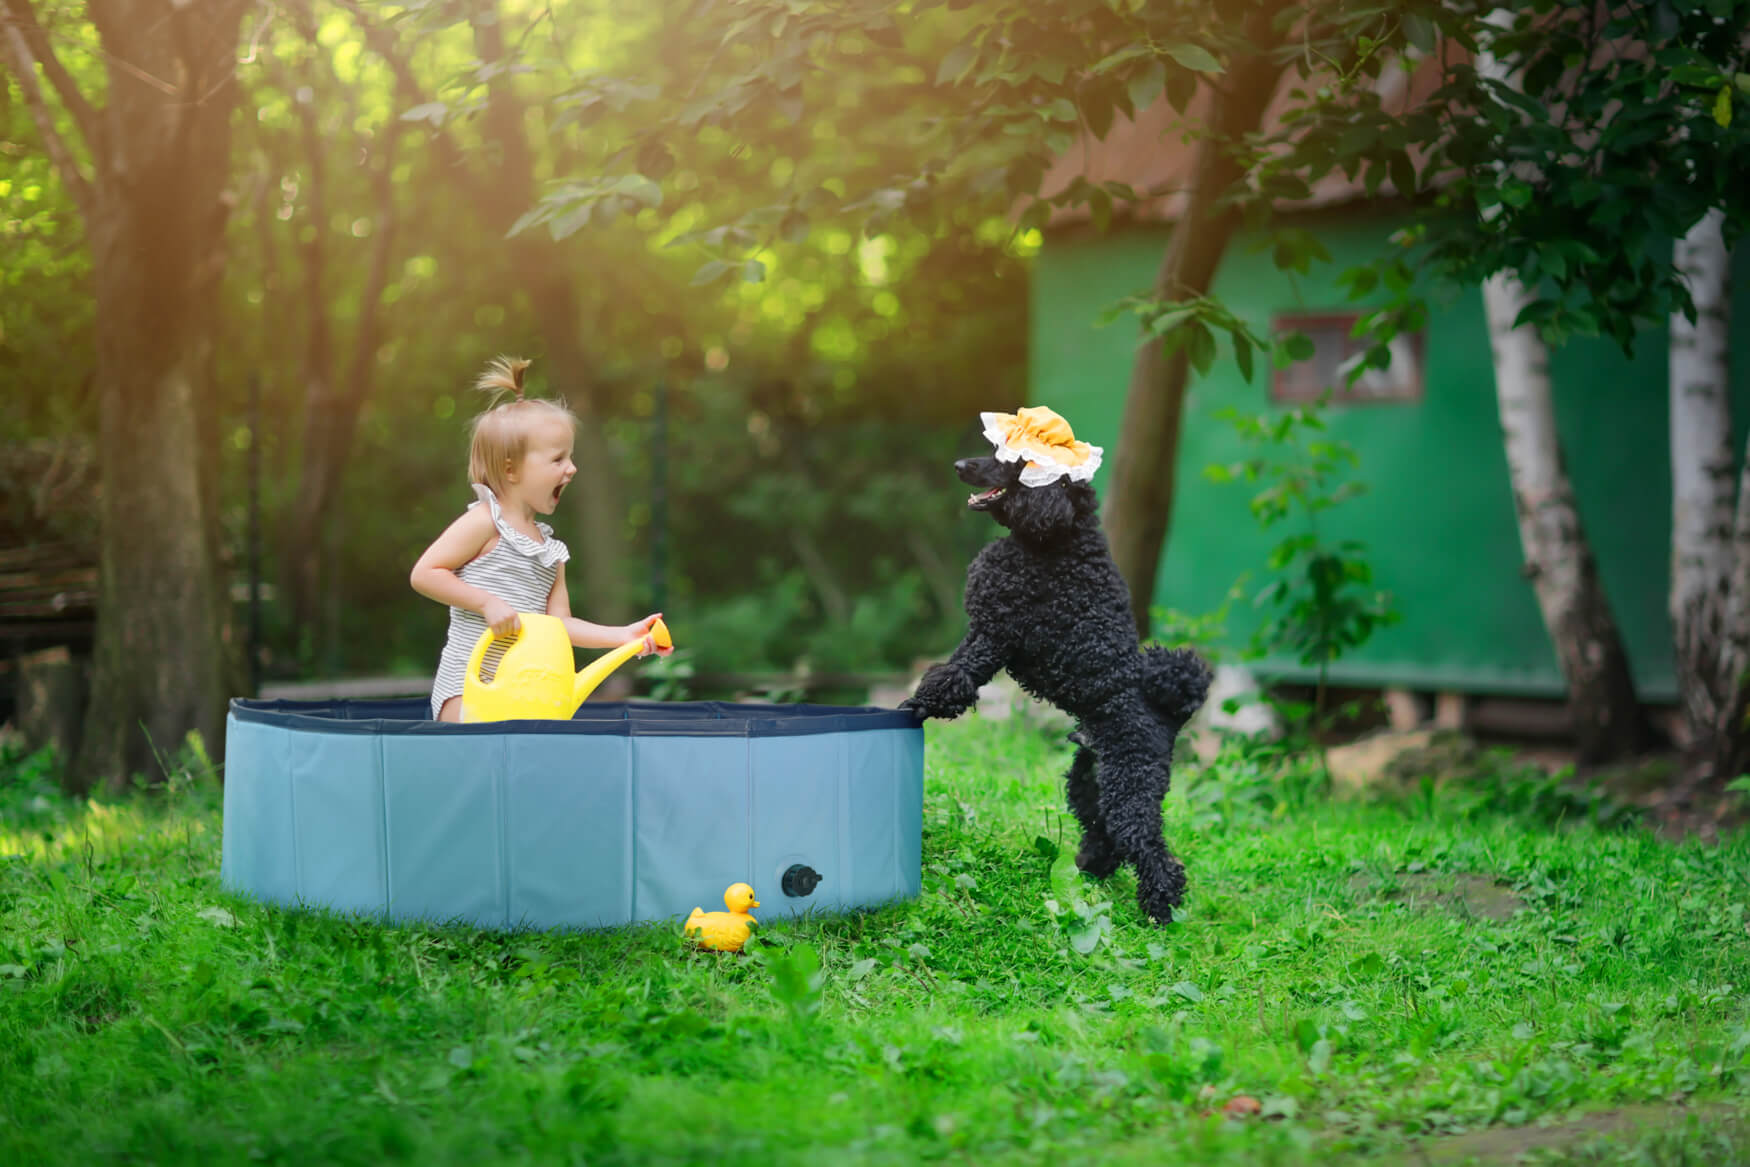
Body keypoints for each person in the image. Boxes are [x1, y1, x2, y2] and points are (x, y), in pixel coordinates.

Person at [412, 355, 665, 721]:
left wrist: (622, 635)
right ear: (511, 469)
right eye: (558, 459)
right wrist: (485, 603)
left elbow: (559, 625)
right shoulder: (485, 523)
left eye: (571, 457)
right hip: (469, 687)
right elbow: (425, 573)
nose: (572, 468)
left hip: (522, 694)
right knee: (476, 762)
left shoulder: (550, 552)